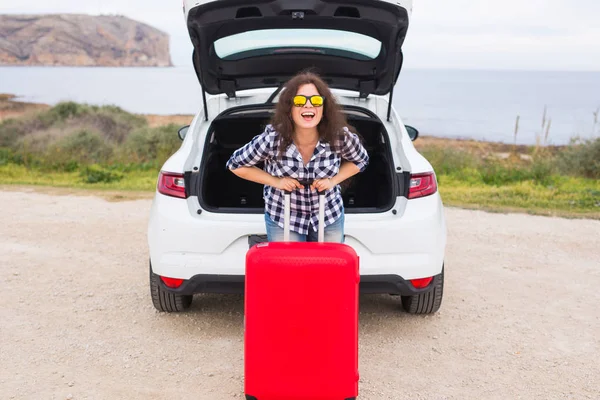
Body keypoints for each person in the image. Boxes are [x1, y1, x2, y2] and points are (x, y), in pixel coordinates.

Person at [226, 71, 369, 243]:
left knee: (329, 268)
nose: (308, 106)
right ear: (289, 108)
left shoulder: (338, 136)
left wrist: (333, 181)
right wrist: (276, 182)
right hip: (284, 217)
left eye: (316, 100)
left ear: (324, 108)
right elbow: (235, 164)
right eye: (300, 101)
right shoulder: (273, 138)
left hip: (328, 215)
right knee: (289, 269)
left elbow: (361, 160)